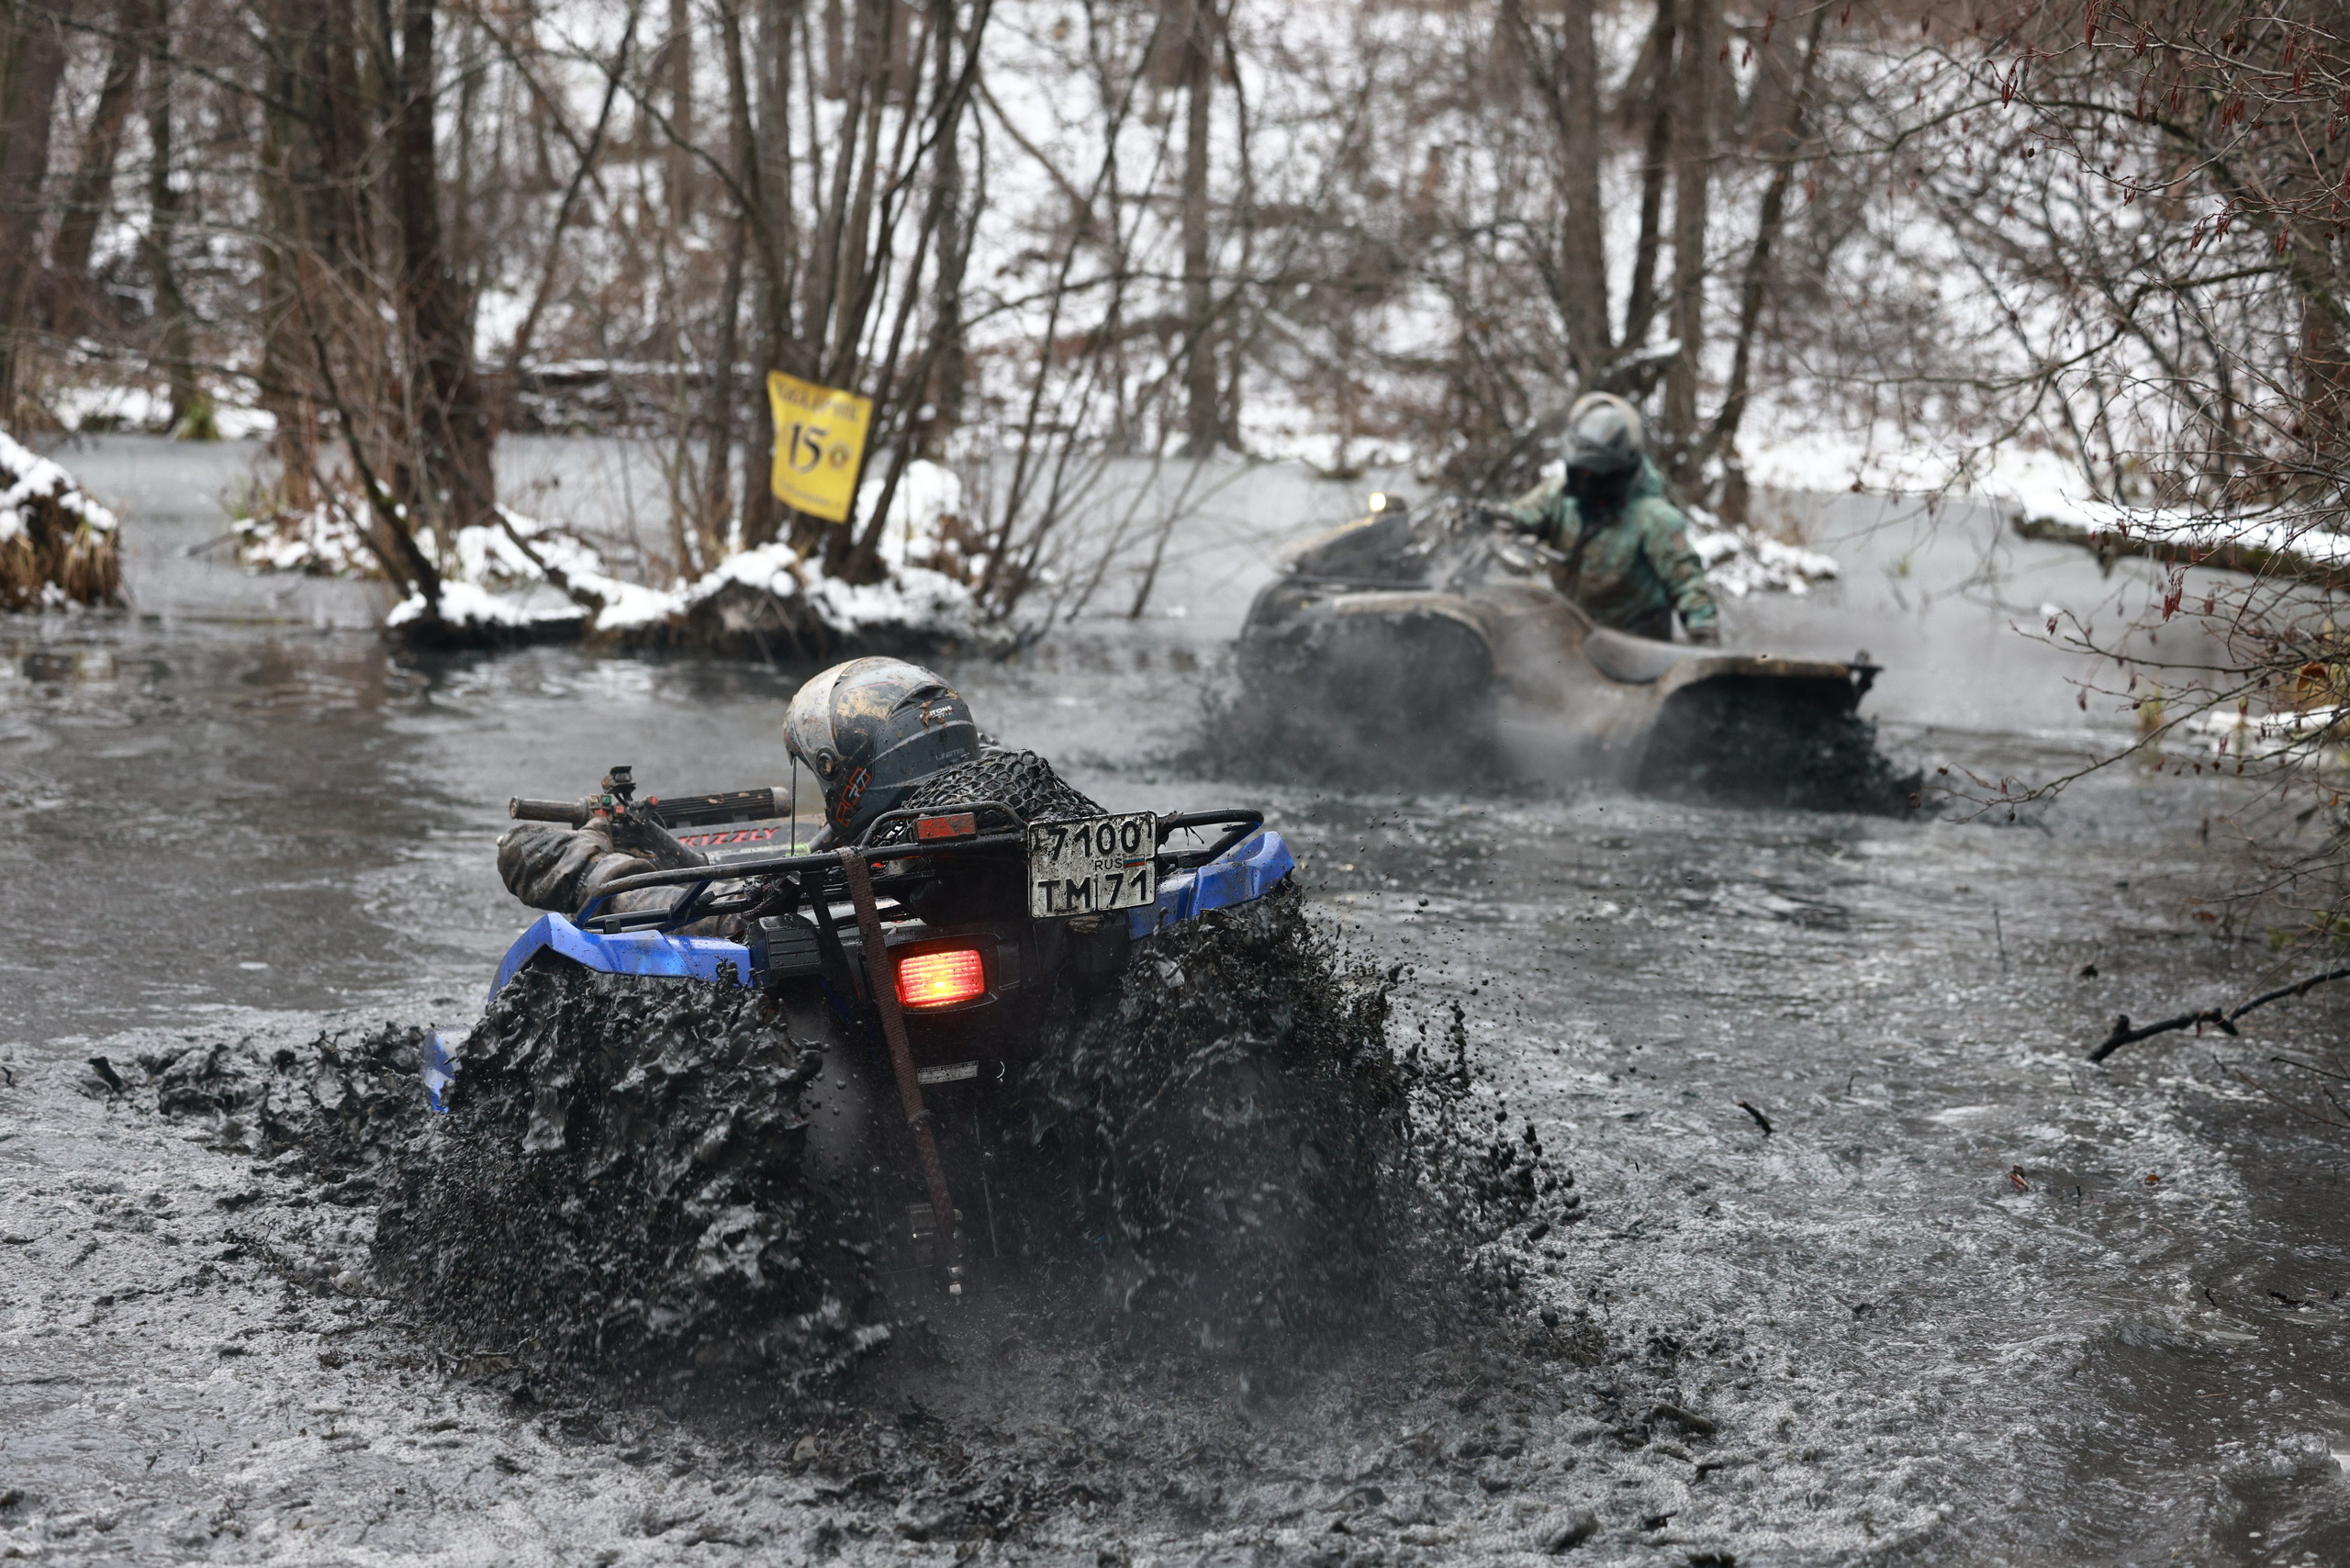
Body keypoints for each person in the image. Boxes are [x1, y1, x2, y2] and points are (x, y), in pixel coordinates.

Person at [497, 656, 982, 913]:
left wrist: (593, 842)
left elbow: (523, 852)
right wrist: (659, 843)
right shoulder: (992, 832)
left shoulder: (788, 901)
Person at [1505, 392, 1719, 645]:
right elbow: (1519, 515)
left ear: (1619, 473)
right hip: (1574, 630)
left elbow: (1689, 586)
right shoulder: (1561, 494)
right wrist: (1491, 520)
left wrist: (1704, 636)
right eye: (1579, 473)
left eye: (1593, 476)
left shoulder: (1655, 519)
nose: (1584, 483)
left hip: (1636, 641)